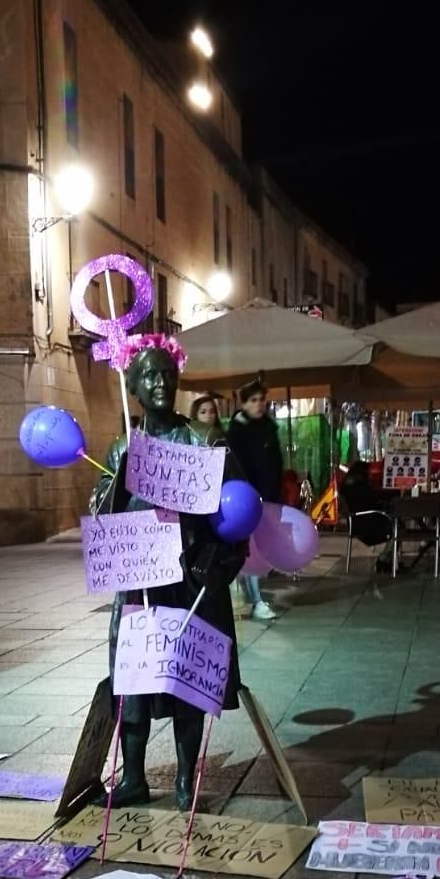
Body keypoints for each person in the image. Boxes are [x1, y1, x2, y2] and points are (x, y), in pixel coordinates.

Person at [93, 333, 245, 809]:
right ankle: (133, 777)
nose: (161, 382)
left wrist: (219, 558)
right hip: (141, 582)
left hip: (189, 580)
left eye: (167, 373)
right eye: (150, 376)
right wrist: (114, 485)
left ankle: (185, 777)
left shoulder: (204, 440)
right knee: (133, 682)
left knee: (187, 677)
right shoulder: (122, 449)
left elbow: (239, 510)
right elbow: (100, 514)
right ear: (133, 387)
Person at [226, 378, 283, 620]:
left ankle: (251, 597)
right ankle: (257, 601)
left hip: (267, 496)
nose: (259, 405)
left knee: (258, 549)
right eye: (253, 400)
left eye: (262, 400)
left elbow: (274, 465)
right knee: (250, 551)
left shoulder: (268, 428)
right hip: (245, 499)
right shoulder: (237, 432)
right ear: (243, 403)